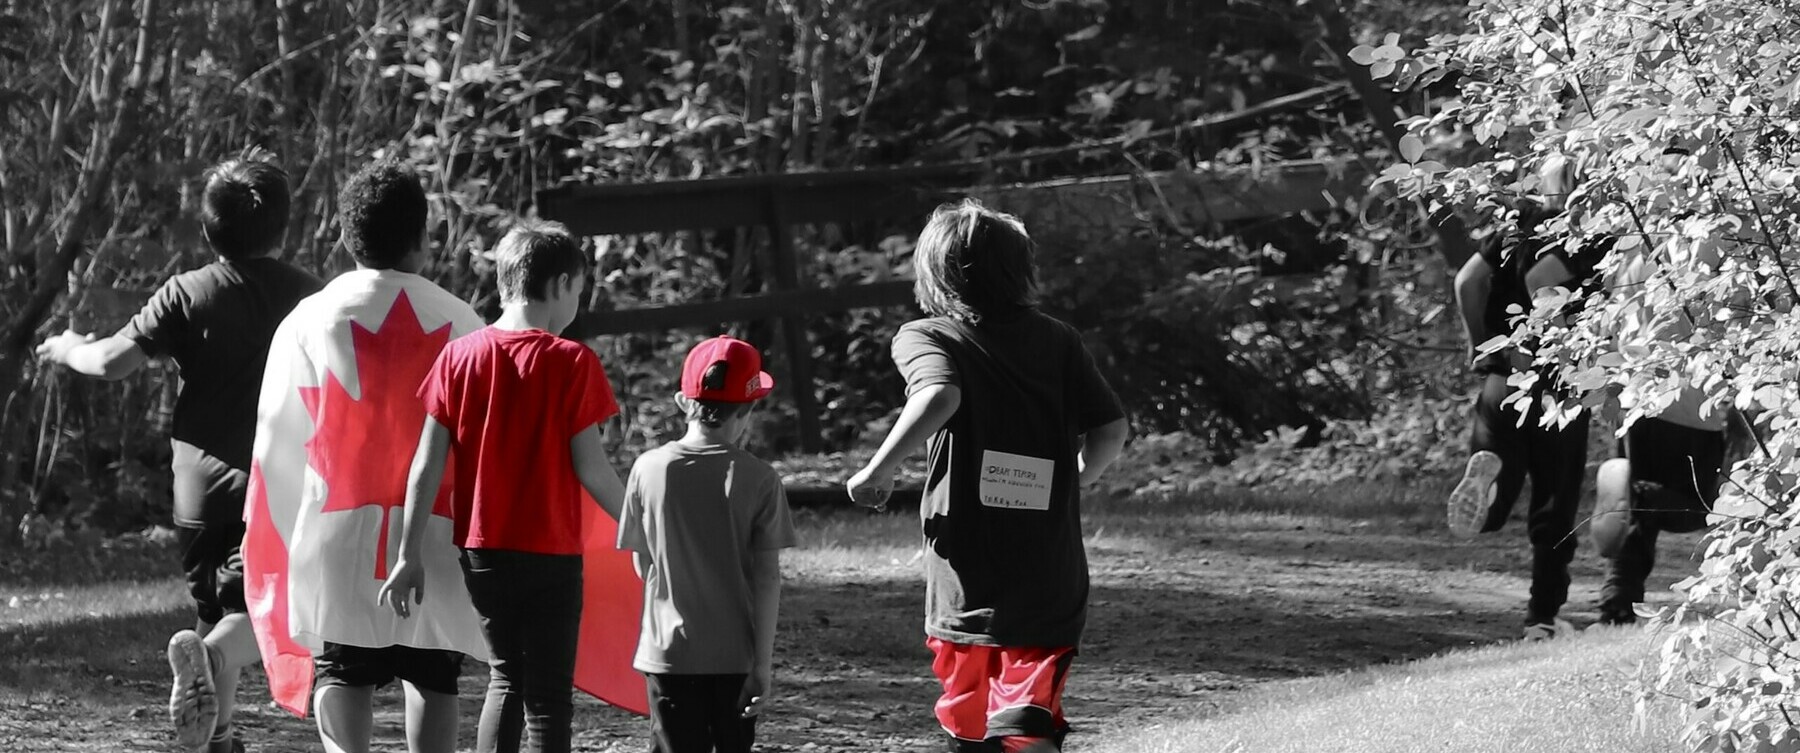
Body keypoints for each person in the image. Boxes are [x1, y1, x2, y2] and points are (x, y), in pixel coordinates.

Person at [35, 151, 322, 753]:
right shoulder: (309, 298)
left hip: (197, 493)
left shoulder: (187, 293)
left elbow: (112, 362)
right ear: (283, 226)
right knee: (264, 617)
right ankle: (212, 661)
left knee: (215, 610)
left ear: (208, 227)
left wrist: (67, 347)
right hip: (275, 488)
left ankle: (217, 739)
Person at [846, 199, 1131, 753]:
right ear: (1020, 270)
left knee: (969, 721)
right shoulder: (1057, 339)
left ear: (932, 271)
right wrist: (1080, 476)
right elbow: (1112, 428)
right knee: (1025, 715)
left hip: (964, 571)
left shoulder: (926, 336)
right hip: (1047, 570)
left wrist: (877, 471)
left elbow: (938, 393)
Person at [244, 158, 490, 753]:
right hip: (432, 532)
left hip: (336, 532)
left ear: (346, 236)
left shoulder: (307, 321)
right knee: (433, 675)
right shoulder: (462, 321)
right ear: (422, 239)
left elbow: (279, 440)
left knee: (342, 670)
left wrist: (280, 531)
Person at [379, 219, 628, 753]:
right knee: (549, 698)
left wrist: (407, 553)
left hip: (483, 552)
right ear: (561, 284)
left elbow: (427, 464)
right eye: (579, 292)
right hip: (552, 555)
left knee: (506, 678)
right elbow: (592, 469)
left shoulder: (459, 357)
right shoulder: (572, 362)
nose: (576, 306)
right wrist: (642, 525)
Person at [1445, 158, 1602, 640]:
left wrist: (1480, 344)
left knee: (1500, 481)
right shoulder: (1588, 236)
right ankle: (1542, 616)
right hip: (1555, 384)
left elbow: (1467, 282)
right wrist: (1562, 355)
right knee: (1555, 502)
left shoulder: (1518, 226)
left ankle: (1488, 500)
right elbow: (1542, 282)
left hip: (1501, 376)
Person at [616, 335, 796, 753]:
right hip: (735, 659)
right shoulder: (761, 479)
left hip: (669, 656)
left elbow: (643, 566)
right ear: (748, 410)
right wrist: (762, 666)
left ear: (683, 401)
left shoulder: (647, 469)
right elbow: (768, 578)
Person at [1589, 145, 1730, 626]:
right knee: (1696, 508)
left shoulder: (1628, 253)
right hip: (1691, 403)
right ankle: (1634, 509)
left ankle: (1617, 600)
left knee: (1651, 510)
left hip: (1638, 400)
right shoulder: (1705, 242)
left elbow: (1610, 326)